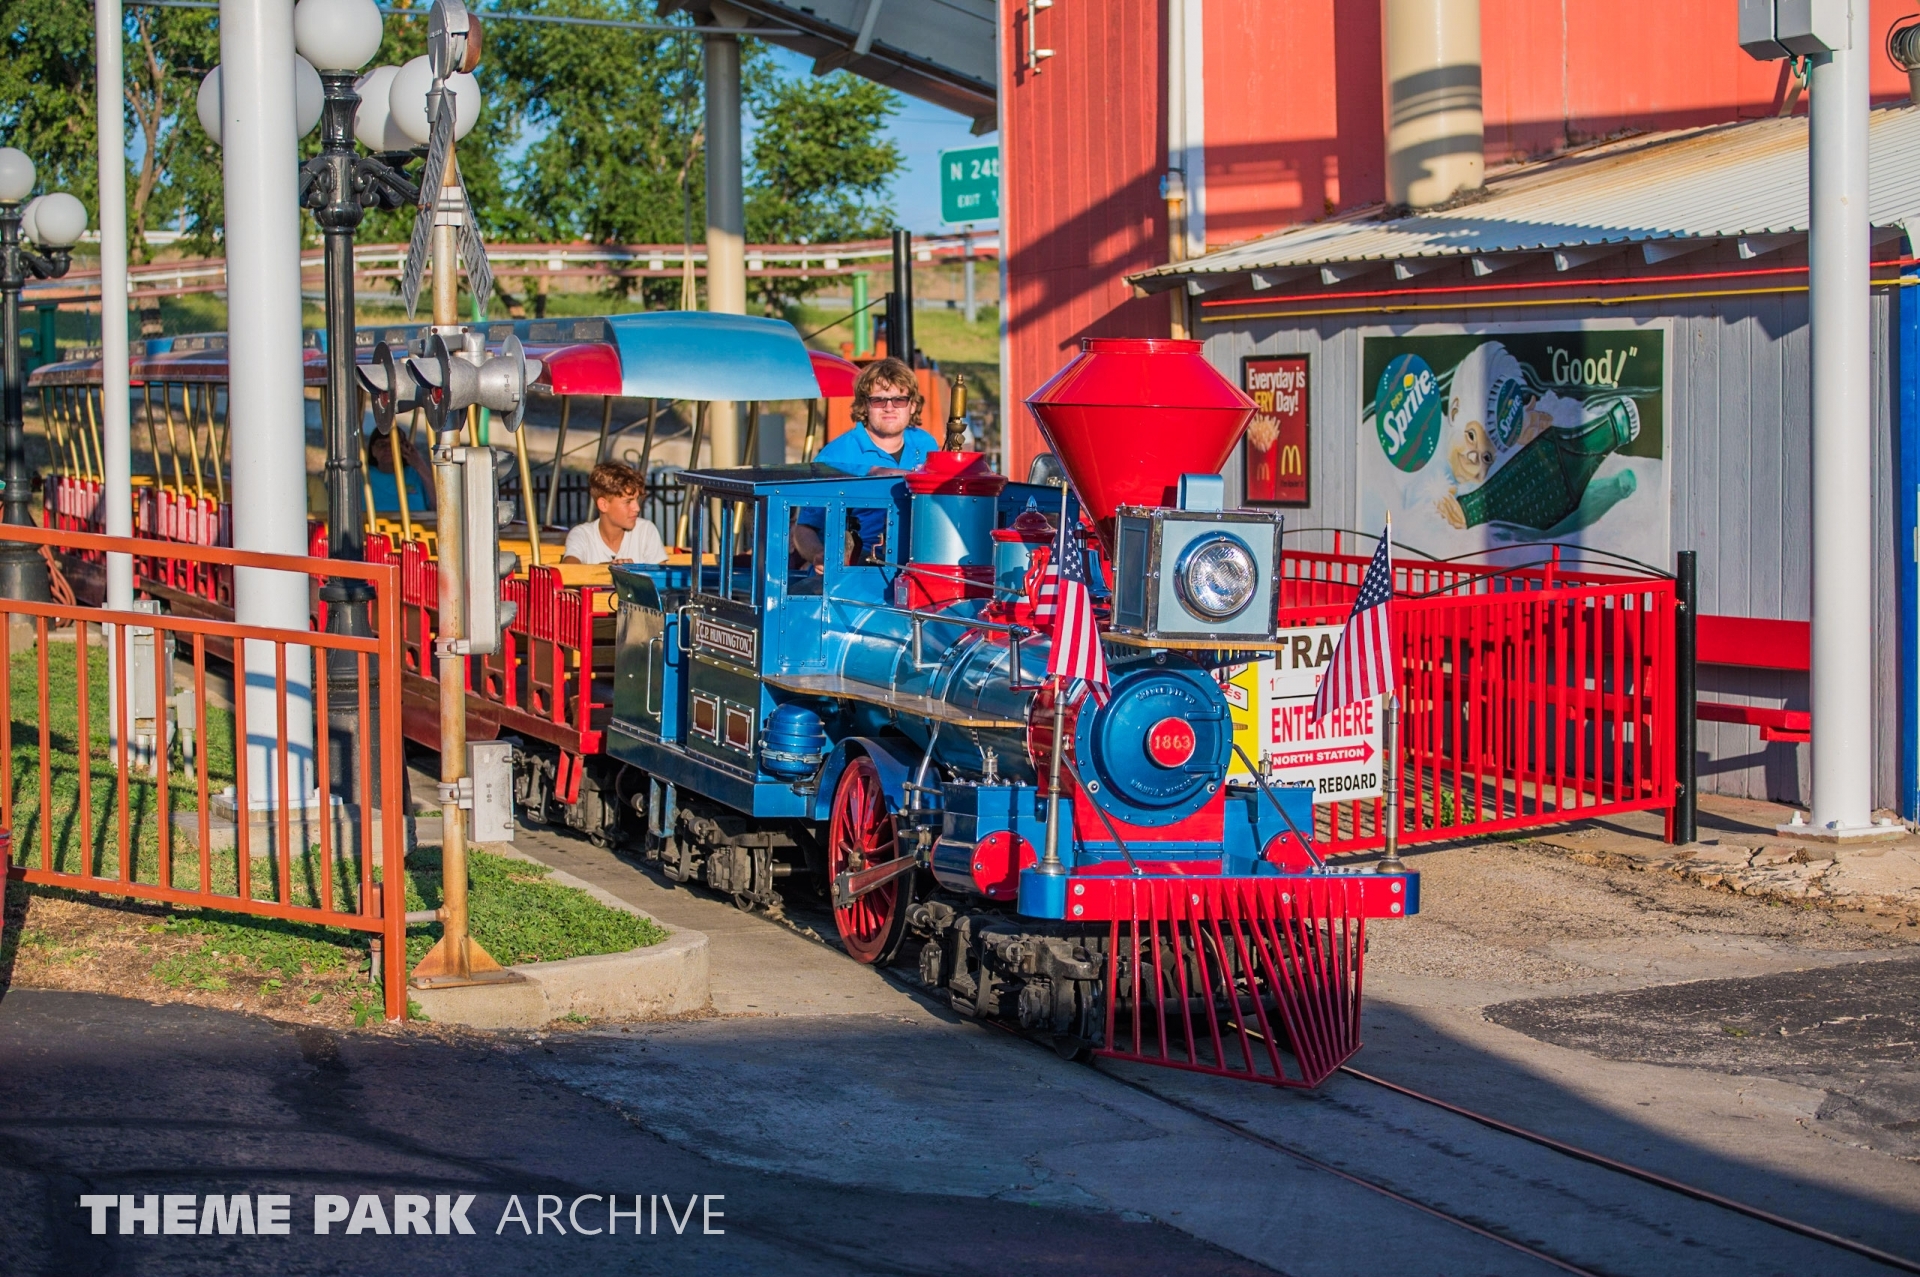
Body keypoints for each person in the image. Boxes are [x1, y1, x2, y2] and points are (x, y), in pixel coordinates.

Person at [793, 357, 940, 571]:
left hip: (916, 564)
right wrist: (818, 555)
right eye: (879, 400)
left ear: (912, 405)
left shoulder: (927, 443)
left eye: (899, 400)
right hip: (856, 569)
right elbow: (804, 527)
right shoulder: (834, 456)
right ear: (864, 405)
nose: (889, 407)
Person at [561, 461, 668, 565]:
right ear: (603, 505)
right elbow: (569, 570)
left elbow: (662, 578)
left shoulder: (646, 531)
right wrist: (606, 570)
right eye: (628, 501)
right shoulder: (582, 534)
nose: (637, 508)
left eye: (637, 500)